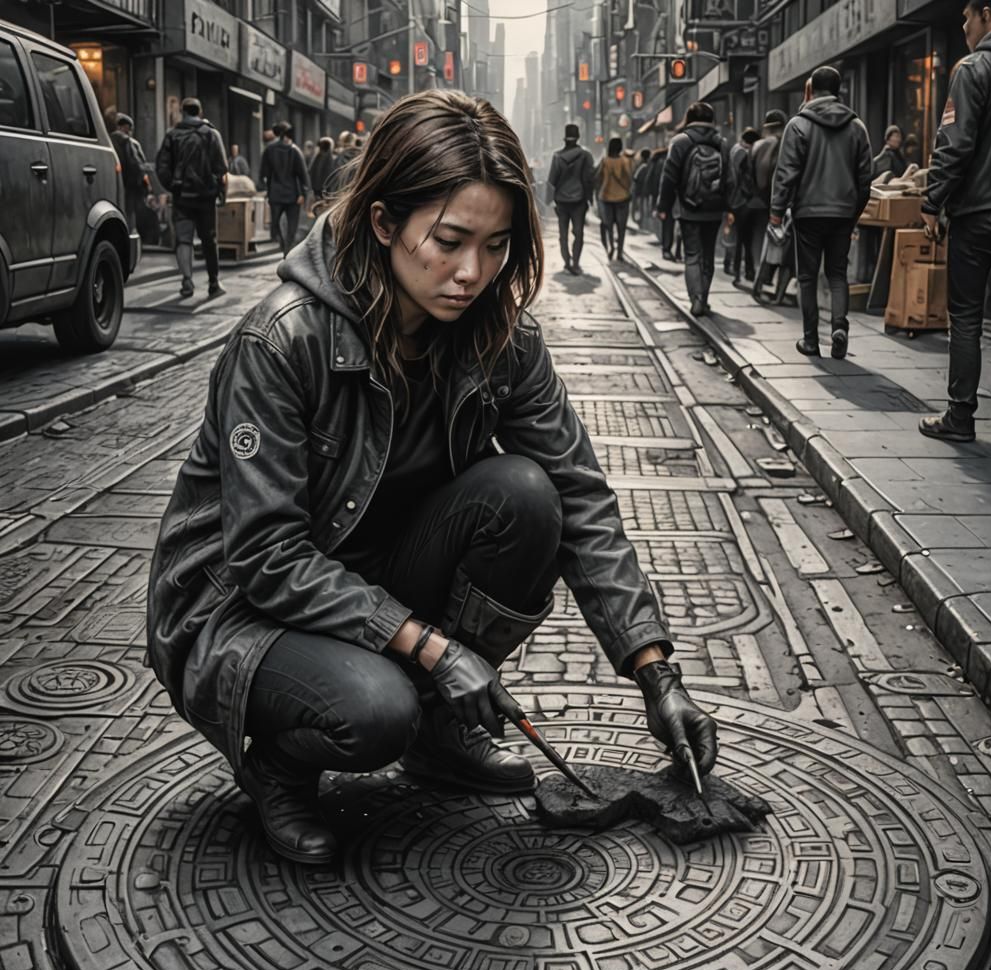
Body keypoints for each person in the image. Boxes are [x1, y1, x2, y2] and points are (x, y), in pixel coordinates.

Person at [145, 89, 719, 865]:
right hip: (240, 607)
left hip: (375, 574)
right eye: (448, 241)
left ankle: (442, 739)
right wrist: (436, 651)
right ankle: (278, 767)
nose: (472, 272)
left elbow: (580, 494)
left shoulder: (502, 340)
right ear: (385, 223)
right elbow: (264, 556)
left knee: (527, 495)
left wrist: (657, 673)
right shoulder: (283, 341)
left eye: (496, 246)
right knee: (377, 711)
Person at [919, 0, 991, 445]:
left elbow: (955, 144)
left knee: (965, 317)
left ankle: (960, 416)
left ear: (985, 13)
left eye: (965, 18)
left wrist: (932, 201)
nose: (963, 27)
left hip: (979, 213)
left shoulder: (974, 68)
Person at [770, 66, 872, 359]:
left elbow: (786, 173)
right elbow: (866, 177)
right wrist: (854, 213)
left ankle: (811, 340)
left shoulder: (798, 125)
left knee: (807, 277)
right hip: (843, 212)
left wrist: (777, 211)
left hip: (808, 213)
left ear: (810, 89)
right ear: (839, 90)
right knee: (838, 274)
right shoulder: (857, 126)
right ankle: (839, 326)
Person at [657, 102, 733, 317]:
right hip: (714, 208)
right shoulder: (722, 143)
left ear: (688, 118)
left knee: (692, 255)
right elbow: (729, 179)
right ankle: (705, 298)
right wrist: (728, 207)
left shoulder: (680, 141)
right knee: (708, 255)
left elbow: (669, 177)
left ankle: (696, 299)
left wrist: (664, 207)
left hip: (689, 208)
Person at [155, 97, 228, 299]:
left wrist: (173, 186)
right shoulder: (212, 134)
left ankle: (187, 281)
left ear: (182, 112)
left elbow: (161, 167)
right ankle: (213, 283)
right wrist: (218, 189)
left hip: (182, 198)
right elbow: (222, 167)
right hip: (206, 198)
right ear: (200, 111)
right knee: (209, 240)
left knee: (183, 240)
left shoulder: (172, 135)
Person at [546, 123, 595, 275]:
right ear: (578, 138)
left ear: (565, 139)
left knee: (563, 234)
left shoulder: (557, 157)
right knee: (578, 233)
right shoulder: (585, 155)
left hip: (561, 201)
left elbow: (551, 181)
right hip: (579, 201)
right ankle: (576, 263)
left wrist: (549, 200)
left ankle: (567, 261)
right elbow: (589, 179)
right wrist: (589, 199)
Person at [259, 121, 311, 255]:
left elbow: (263, 173)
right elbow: (303, 175)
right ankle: (288, 251)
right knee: (292, 227)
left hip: (275, 194)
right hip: (293, 194)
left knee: (276, 224)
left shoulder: (269, 150)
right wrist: (303, 193)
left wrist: (266, 188)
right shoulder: (294, 150)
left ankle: (283, 246)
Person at [749, 109, 786, 295]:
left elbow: (749, 174)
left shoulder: (756, 146)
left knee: (759, 240)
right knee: (775, 242)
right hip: (775, 201)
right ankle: (766, 277)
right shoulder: (783, 144)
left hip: (756, 201)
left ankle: (757, 275)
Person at [727, 127, 760, 285]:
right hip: (743, 201)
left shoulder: (734, 149)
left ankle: (737, 269)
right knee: (745, 238)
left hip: (733, 201)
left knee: (738, 237)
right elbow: (744, 178)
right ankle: (746, 271)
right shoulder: (744, 154)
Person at [595, 137, 633, 261]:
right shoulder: (625, 161)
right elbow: (628, 178)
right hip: (622, 197)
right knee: (621, 227)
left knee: (609, 225)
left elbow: (598, 178)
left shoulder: (604, 161)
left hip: (606, 197)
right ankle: (620, 252)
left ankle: (611, 247)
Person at [111, 113, 150, 234]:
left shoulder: (108, 141)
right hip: (130, 185)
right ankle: (129, 237)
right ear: (126, 127)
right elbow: (137, 165)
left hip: (112, 182)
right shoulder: (130, 142)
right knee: (130, 213)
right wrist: (142, 184)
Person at [309, 136, 336, 201]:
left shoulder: (317, 157)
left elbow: (310, 172)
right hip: (326, 190)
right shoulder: (330, 158)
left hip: (317, 189)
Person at [632, 148, 652, 228]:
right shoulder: (649, 166)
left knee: (642, 209)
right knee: (644, 209)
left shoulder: (642, 167)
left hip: (640, 192)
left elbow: (635, 178)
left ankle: (642, 225)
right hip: (646, 192)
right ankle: (644, 225)